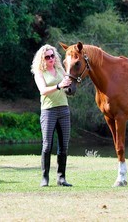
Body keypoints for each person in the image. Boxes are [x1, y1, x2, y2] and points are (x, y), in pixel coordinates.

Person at [31, 44, 73, 187]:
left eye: (52, 56)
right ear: (42, 59)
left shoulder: (60, 69)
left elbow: (66, 87)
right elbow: (43, 90)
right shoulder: (39, 73)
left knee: (64, 146)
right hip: (48, 111)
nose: (51, 59)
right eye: (47, 57)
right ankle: (45, 177)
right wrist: (59, 86)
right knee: (47, 145)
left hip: (64, 109)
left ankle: (61, 178)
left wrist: (69, 87)